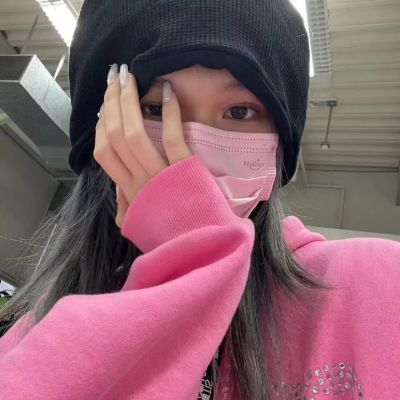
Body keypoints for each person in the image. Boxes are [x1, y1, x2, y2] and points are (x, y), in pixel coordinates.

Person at [0, 1, 399, 399]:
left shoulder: (377, 287)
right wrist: (189, 258)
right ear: (103, 136)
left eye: (240, 111)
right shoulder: (38, 334)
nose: (190, 152)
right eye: (155, 108)